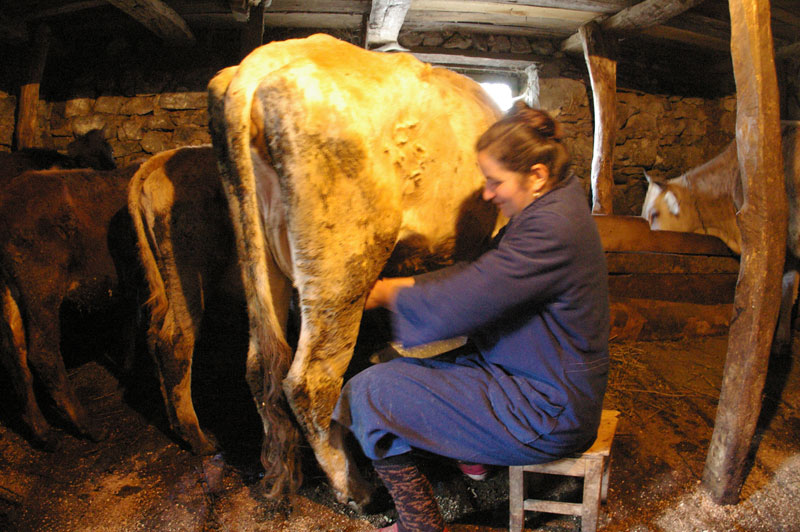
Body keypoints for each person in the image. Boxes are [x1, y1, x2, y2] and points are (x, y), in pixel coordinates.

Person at [332, 102, 610, 532]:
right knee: (401, 365)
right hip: (537, 375)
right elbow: (483, 272)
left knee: (369, 393)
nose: (486, 193)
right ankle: (474, 458)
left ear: (536, 175)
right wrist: (400, 290)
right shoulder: (553, 203)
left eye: (495, 181)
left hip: (546, 407)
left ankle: (420, 524)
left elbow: (472, 295)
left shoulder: (552, 228)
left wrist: (385, 292)